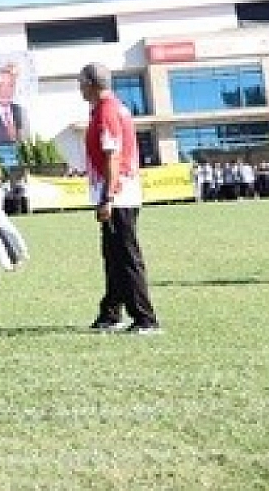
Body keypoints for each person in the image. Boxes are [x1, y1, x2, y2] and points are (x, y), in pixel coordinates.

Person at [81, 63, 161, 334]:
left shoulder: (107, 111)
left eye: (81, 82)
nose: (80, 88)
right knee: (114, 256)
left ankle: (145, 318)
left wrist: (108, 196)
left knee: (126, 256)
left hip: (118, 195)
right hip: (120, 192)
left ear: (92, 83)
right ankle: (111, 313)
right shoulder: (110, 107)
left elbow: (112, 155)